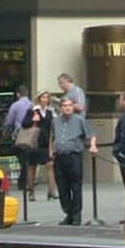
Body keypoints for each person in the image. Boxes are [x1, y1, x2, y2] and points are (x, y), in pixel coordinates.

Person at [48, 96, 97, 226]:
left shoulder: (80, 120)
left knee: (75, 187)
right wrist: (51, 151)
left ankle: (76, 216)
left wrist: (93, 146)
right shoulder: (55, 121)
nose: (67, 108)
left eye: (69, 105)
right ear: (60, 108)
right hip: (60, 156)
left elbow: (91, 135)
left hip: (74, 156)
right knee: (62, 188)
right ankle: (68, 213)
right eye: (64, 106)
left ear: (73, 107)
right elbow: (52, 137)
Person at [21, 91, 57, 200]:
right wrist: (32, 120)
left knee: (50, 164)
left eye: (47, 97)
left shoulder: (51, 112)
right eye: (43, 97)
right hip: (34, 143)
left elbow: (53, 128)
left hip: (46, 143)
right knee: (32, 167)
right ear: (39, 99)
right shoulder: (33, 111)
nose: (45, 99)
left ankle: (51, 191)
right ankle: (31, 192)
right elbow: (24, 124)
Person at [2, 85, 33, 191]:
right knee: (28, 157)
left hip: (19, 134)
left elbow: (9, 121)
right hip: (31, 135)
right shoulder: (32, 105)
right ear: (28, 93)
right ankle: (28, 180)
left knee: (21, 157)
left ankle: (23, 181)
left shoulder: (15, 105)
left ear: (18, 94)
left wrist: (5, 132)